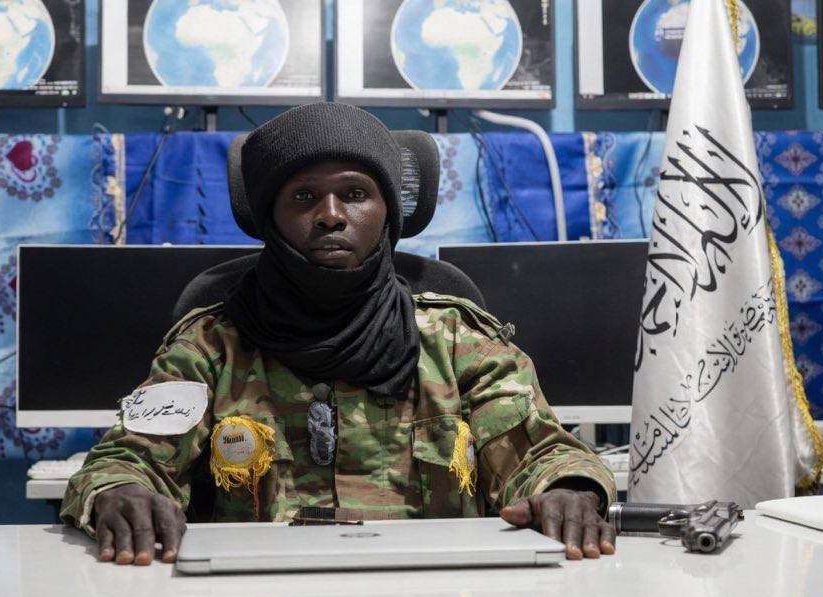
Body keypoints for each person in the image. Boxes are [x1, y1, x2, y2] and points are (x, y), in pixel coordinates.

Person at [60, 103, 617, 566]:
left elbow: (540, 452)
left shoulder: (456, 340)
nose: (330, 215)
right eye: (303, 197)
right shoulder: (209, 346)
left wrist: (567, 490)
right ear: (271, 217)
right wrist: (121, 492)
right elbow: (127, 458)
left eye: (354, 193)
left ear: (388, 212)